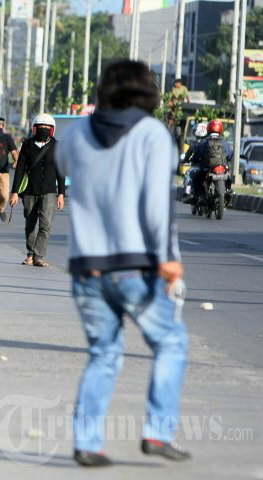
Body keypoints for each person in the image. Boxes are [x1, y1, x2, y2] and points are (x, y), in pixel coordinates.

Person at [56, 60, 189, 467]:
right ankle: (157, 432)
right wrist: (168, 259)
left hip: (86, 266)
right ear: (148, 91)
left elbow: (64, 170)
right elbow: (157, 206)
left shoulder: (76, 134)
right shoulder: (153, 134)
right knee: (171, 342)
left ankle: (87, 442)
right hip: (136, 266)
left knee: (103, 353)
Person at [10, 113, 65, 267]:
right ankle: (30, 252)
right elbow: (20, 169)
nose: (43, 129)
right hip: (29, 191)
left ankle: (38, 256)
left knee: (45, 225)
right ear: (34, 128)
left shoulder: (57, 146)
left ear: (52, 130)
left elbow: (61, 170)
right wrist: (14, 192)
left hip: (49, 192)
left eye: (46, 127)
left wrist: (61, 193)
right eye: (40, 127)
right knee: (30, 223)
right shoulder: (27, 145)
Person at [185, 119, 232, 204]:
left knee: (196, 178)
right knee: (228, 175)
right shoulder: (224, 142)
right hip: (222, 166)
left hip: (206, 167)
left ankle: (196, 195)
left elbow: (196, 155)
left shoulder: (204, 141)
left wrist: (194, 160)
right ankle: (228, 191)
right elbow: (229, 155)